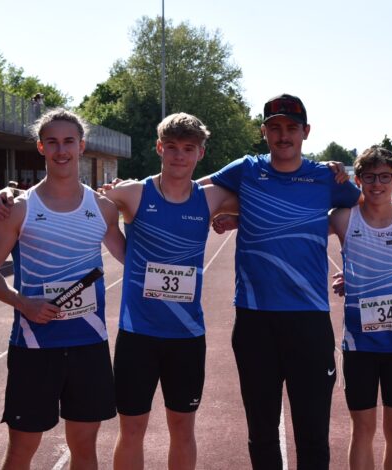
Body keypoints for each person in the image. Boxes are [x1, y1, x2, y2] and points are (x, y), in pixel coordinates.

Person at [197, 93, 361, 469]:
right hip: (255, 321)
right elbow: (183, 189)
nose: (283, 135)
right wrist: (128, 190)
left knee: (313, 432)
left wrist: (362, 271)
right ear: (264, 132)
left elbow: (371, 209)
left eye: (291, 128)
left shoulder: (327, 177)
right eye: (275, 128)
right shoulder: (247, 170)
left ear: (306, 131)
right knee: (261, 432)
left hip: (309, 320)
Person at [0, 109, 125, 470]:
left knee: (85, 449)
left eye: (69, 141)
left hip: (89, 344)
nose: (61, 150)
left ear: (82, 146)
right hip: (35, 346)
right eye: (53, 142)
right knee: (21, 450)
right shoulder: (20, 208)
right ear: (41, 147)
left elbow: (133, 259)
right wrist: (21, 302)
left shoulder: (102, 208)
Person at [98, 112, 238, 470]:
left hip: (186, 337)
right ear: (159, 148)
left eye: (188, 149)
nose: (179, 156)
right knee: (131, 430)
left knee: (183, 429)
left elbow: (263, 203)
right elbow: (91, 207)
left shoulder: (210, 198)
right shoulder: (134, 193)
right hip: (138, 335)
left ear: (200, 154)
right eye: (172, 147)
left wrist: (233, 217)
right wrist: (124, 255)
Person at [328, 146, 392, 470]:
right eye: (369, 177)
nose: (377, 184)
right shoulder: (343, 218)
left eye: (385, 176)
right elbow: (295, 222)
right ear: (358, 180)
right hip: (360, 345)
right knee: (363, 430)